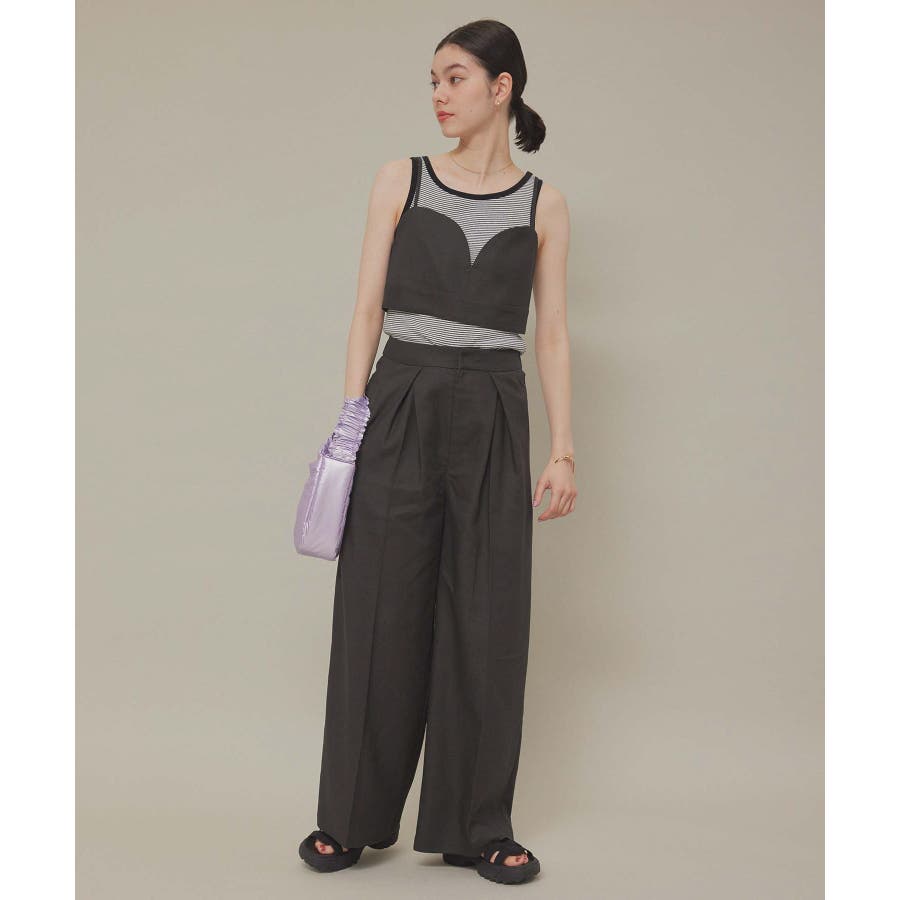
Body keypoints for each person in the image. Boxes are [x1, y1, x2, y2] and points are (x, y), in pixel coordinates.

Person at [298, 18, 575, 886]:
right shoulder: (401, 179)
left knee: (487, 618)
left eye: (455, 78)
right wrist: (352, 420)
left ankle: (477, 826)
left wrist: (565, 448)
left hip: (494, 407)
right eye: (432, 80)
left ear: (502, 87)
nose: (439, 94)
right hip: (402, 397)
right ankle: (349, 819)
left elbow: (552, 335)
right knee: (379, 606)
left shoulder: (544, 204)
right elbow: (365, 309)